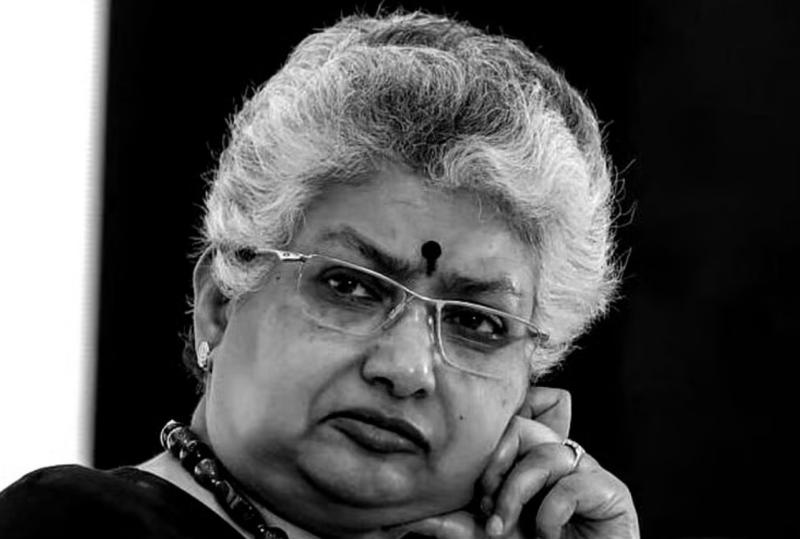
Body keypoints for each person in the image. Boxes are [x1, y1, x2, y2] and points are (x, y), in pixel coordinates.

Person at [0, 10, 639, 539]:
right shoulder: (70, 524)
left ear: (527, 395)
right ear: (219, 305)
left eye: (477, 323)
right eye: (350, 286)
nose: (406, 368)